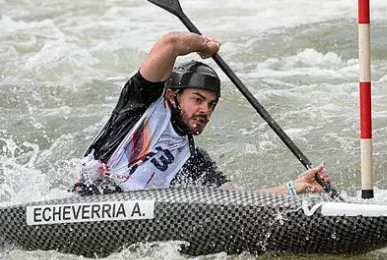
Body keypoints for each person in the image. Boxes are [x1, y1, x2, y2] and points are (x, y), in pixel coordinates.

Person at [73, 31, 331, 196]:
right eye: (197, 100)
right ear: (173, 96)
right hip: (89, 199)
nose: (204, 110)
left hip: (132, 222)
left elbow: (236, 199)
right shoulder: (142, 104)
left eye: (211, 104)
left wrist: (296, 187)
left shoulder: (191, 158)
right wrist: (203, 44)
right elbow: (170, 43)